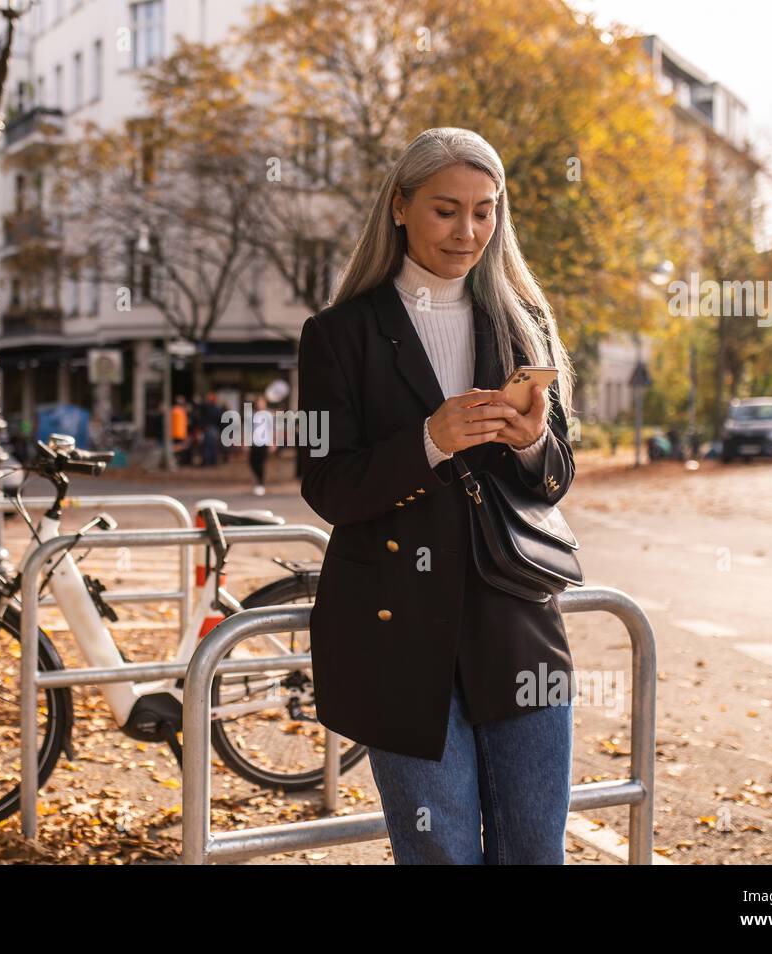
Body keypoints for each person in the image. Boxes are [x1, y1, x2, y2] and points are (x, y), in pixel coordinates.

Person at [297, 127, 579, 864]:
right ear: (399, 207)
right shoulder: (337, 336)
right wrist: (431, 440)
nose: (469, 232)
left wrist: (528, 442)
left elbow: (555, 482)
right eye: (446, 210)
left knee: (533, 852)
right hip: (395, 629)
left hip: (515, 619)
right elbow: (326, 485)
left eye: (485, 211)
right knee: (441, 854)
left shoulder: (524, 324)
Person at [249, 395, 273, 495]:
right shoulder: (252, 415)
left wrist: (272, 443)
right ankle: (258, 482)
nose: (260, 405)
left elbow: (272, 429)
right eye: (258, 403)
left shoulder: (268, 415)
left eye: (261, 403)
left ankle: (260, 484)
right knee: (252, 462)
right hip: (254, 442)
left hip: (264, 442)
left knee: (260, 463)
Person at [171, 395, 190, 466]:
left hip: (174, 433)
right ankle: (177, 461)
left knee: (178, 447)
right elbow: (185, 423)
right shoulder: (182, 411)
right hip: (180, 433)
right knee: (180, 447)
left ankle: (176, 460)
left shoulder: (173, 410)